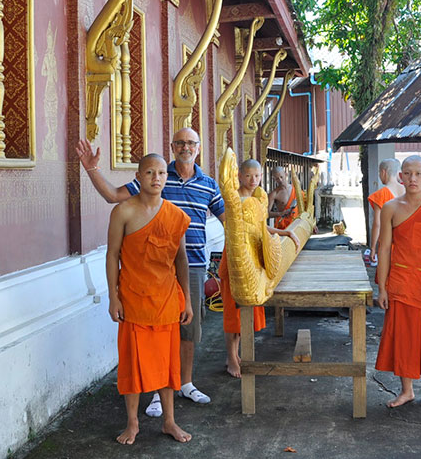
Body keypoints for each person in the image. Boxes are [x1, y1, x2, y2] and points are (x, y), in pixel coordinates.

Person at [77, 127, 225, 417]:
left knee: (186, 329)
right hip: (145, 274)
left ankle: (185, 382)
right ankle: (157, 393)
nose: (186, 147)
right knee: (146, 339)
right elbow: (112, 196)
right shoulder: (155, 172)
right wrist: (93, 169)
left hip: (190, 262)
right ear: (173, 146)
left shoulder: (208, 183)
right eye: (180, 143)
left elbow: (227, 218)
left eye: (191, 143)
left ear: (198, 147)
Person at [106, 154, 193, 444]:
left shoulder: (176, 215)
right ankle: (132, 423)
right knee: (132, 364)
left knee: (168, 366)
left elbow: (181, 259)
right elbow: (112, 255)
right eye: (149, 173)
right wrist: (112, 298)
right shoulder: (123, 212)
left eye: (161, 173)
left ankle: (169, 421)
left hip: (167, 299)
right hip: (132, 299)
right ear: (139, 176)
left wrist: (188, 301)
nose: (156, 178)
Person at [374, 155, 421, 409]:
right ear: (400, 177)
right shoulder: (391, 208)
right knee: (404, 338)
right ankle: (407, 390)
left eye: (418, 173)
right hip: (402, 280)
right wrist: (382, 287)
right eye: (408, 173)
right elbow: (384, 249)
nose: (412, 178)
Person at [222, 159, 300, 377]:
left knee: (245, 311)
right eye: (248, 176)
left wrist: (283, 232)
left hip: (254, 257)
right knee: (233, 312)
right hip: (237, 258)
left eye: (257, 176)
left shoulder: (257, 198)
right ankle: (231, 358)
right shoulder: (234, 199)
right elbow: (236, 230)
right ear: (239, 175)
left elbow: (259, 227)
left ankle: (236, 354)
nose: (253, 180)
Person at [368, 159, 405, 266]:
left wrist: (373, 247)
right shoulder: (408, 192)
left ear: (383, 172)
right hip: (406, 241)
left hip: (388, 243)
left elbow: (377, 224)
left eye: (380, 173)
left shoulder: (381, 194)